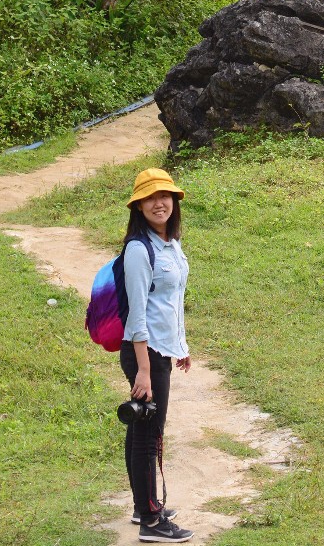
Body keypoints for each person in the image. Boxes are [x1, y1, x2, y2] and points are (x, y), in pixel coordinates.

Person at [120, 167, 194, 543]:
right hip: (143, 354)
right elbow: (136, 316)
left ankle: (142, 508)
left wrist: (180, 347)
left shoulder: (171, 245)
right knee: (149, 436)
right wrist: (145, 371)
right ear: (139, 206)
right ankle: (152, 521)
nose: (159, 203)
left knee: (141, 432)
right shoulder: (138, 250)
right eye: (150, 198)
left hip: (161, 351)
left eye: (164, 196)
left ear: (174, 201)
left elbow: (170, 301)